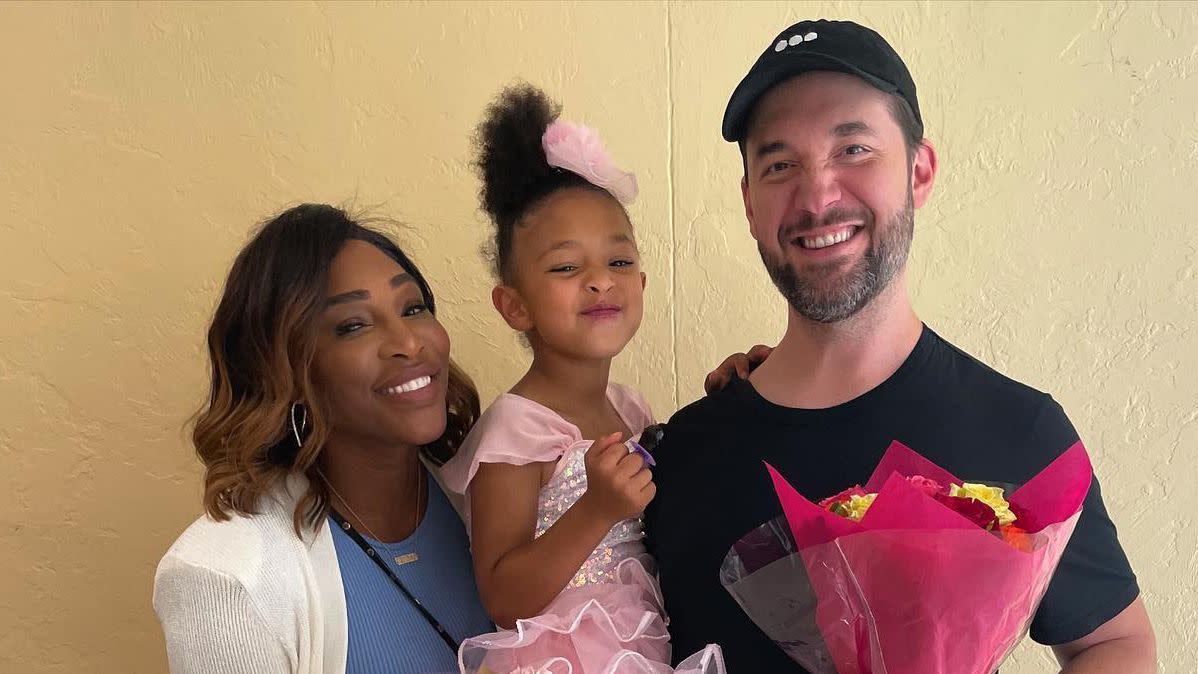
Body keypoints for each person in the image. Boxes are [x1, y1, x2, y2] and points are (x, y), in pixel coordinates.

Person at [645, 19, 1156, 673]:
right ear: (749, 202)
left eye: (853, 149)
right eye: (779, 164)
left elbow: (1116, 643)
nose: (818, 195)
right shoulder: (678, 457)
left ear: (919, 171)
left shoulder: (1019, 430)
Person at [441, 84, 724, 674]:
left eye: (619, 261)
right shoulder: (515, 430)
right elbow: (502, 594)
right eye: (567, 267)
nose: (600, 280)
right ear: (514, 306)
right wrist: (596, 509)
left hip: (641, 649)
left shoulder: (629, 409)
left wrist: (726, 409)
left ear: (641, 286)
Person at [152, 204, 494, 674]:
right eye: (353, 325)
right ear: (283, 369)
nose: (410, 342)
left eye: (413, 308)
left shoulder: (490, 494)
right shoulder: (227, 576)